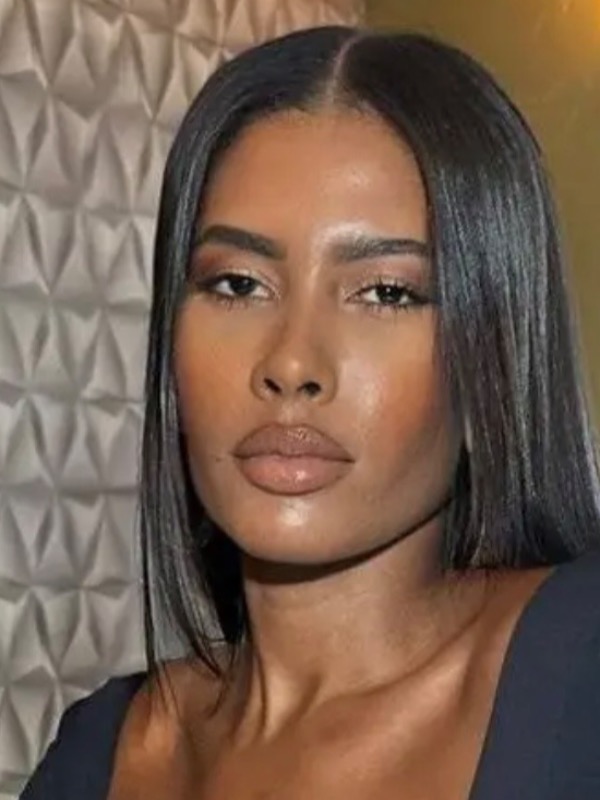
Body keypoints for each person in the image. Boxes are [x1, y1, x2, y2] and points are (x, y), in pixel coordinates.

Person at [20, 25, 600, 800]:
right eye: (237, 285)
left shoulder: (583, 667)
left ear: (495, 352)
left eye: (386, 292)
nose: (292, 364)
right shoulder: (100, 754)